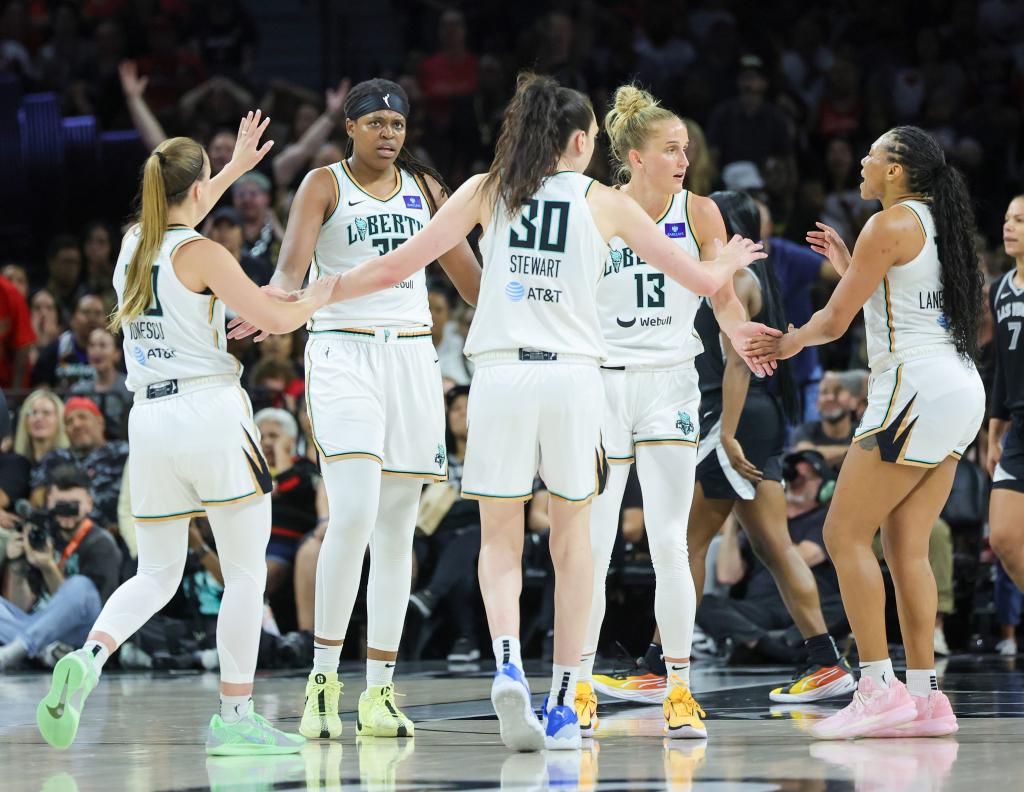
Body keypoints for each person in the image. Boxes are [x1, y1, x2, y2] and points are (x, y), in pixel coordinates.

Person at [296, 71, 767, 751]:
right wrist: (731, 260)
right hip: (576, 383)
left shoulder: (488, 189)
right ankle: (559, 701)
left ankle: (508, 659)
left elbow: (399, 268)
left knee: (499, 540)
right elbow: (699, 279)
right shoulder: (604, 202)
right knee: (575, 546)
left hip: (500, 380)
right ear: (579, 141)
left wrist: (316, 294)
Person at [35, 114, 338, 755]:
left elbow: (179, 210)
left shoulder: (129, 246)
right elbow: (272, 319)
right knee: (246, 573)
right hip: (209, 411)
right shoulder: (204, 253)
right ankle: (234, 715)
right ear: (198, 190)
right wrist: (323, 293)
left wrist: (231, 170)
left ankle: (91, 655)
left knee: (158, 571)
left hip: (149, 420)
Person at [228, 77, 482, 743]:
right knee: (355, 514)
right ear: (352, 127)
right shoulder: (323, 184)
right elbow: (289, 275)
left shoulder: (427, 190)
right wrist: (264, 307)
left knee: (397, 529)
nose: (390, 134)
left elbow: (470, 281)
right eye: (377, 124)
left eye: (398, 124)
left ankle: (379, 690)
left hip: (412, 358)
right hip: (342, 352)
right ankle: (321, 681)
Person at [747, 126, 986, 739]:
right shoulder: (940, 225)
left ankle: (877, 686)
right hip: (958, 389)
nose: (862, 160)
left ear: (898, 169)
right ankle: (927, 698)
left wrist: (787, 340)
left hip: (913, 387)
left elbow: (834, 320)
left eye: (873, 154)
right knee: (906, 547)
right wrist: (850, 265)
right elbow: (902, 299)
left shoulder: (888, 224)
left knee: (841, 532)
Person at [579, 87, 780, 743]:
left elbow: (719, 297)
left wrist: (741, 334)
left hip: (669, 382)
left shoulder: (699, 212)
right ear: (634, 156)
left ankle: (680, 689)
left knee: (669, 540)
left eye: (687, 148)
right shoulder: (593, 207)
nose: (683, 158)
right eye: (671, 149)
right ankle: (579, 683)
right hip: (604, 382)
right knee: (595, 543)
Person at [601, 190, 854, 707]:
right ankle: (826, 660)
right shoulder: (739, 275)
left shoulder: (737, 277)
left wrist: (729, 432)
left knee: (686, 544)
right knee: (772, 546)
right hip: (751, 419)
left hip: (731, 420)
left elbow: (739, 363)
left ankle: (658, 666)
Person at [697, 450, 845, 662]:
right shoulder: (758, 521)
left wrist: (770, 519)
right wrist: (732, 523)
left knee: (846, 606)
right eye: (793, 477)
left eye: (805, 478)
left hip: (810, 605)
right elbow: (727, 575)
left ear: (825, 486)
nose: (796, 482)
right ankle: (776, 648)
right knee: (702, 601)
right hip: (761, 607)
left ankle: (760, 644)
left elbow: (804, 557)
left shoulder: (827, 519)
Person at [0, 466, 121, 672]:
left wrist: (48, 567)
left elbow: (90, 612)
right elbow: (21, 606)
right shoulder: (42, 535)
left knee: (80, 586)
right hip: (39, 630)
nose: (66, 513)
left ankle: (17, 652)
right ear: (49, 503)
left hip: (84, 636)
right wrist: (18, 566)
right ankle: (47, 651)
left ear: (89, 504)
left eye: (73, 506)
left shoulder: (100, 544)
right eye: (60, 505)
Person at [408, 385, 482, 662]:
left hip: (485, 531)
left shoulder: (492, 455)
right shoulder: (436, 459)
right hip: (441, 534)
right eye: (455, 409)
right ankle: (466, 639)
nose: (461, 414)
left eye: (467, 408)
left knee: (470, 536)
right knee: (456, 550)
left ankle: (431, 596)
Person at [988, 194, 1024, 603]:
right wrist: (994, 428)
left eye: (1020, 220)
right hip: (1017, 431)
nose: (1009, 226)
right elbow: (1002, 364)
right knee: (1004, 538)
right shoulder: (999, 290)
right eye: (1007, 218)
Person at [30, 397, 128, 531]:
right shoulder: (54, 459)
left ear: (100, 422)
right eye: (69, 422)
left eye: (83, 417)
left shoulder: (122, 453)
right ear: (65, 432)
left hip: (117, 537)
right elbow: (37, 498)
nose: (76, 424)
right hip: (63, 536)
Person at [31, 293, 106, 390]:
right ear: (73, 318)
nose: (92, 318)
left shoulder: (115, 350)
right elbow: (41, 387)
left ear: (106, 319)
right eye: (86, 312)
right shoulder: (57, 347)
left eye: (97, 313)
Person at [70, 328, 132, 441]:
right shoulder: (79, 390)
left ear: (117, 354)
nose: (96, 351)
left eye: (102, 345)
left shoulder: (130, 387)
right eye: (92, 345)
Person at [791, 371, 858, 467]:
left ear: (853, 401)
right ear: (817, 403)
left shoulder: (864, 432)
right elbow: (806, 455)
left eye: (837, 391)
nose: (830, 398)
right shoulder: (804, 431)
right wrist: (857, 452)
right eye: (824, 392)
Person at [13, 390, 69, 479]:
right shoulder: (14, 464)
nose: (38, 418)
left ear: (60, 420)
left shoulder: (69, 462)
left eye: (46, 413)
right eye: (33, 413)